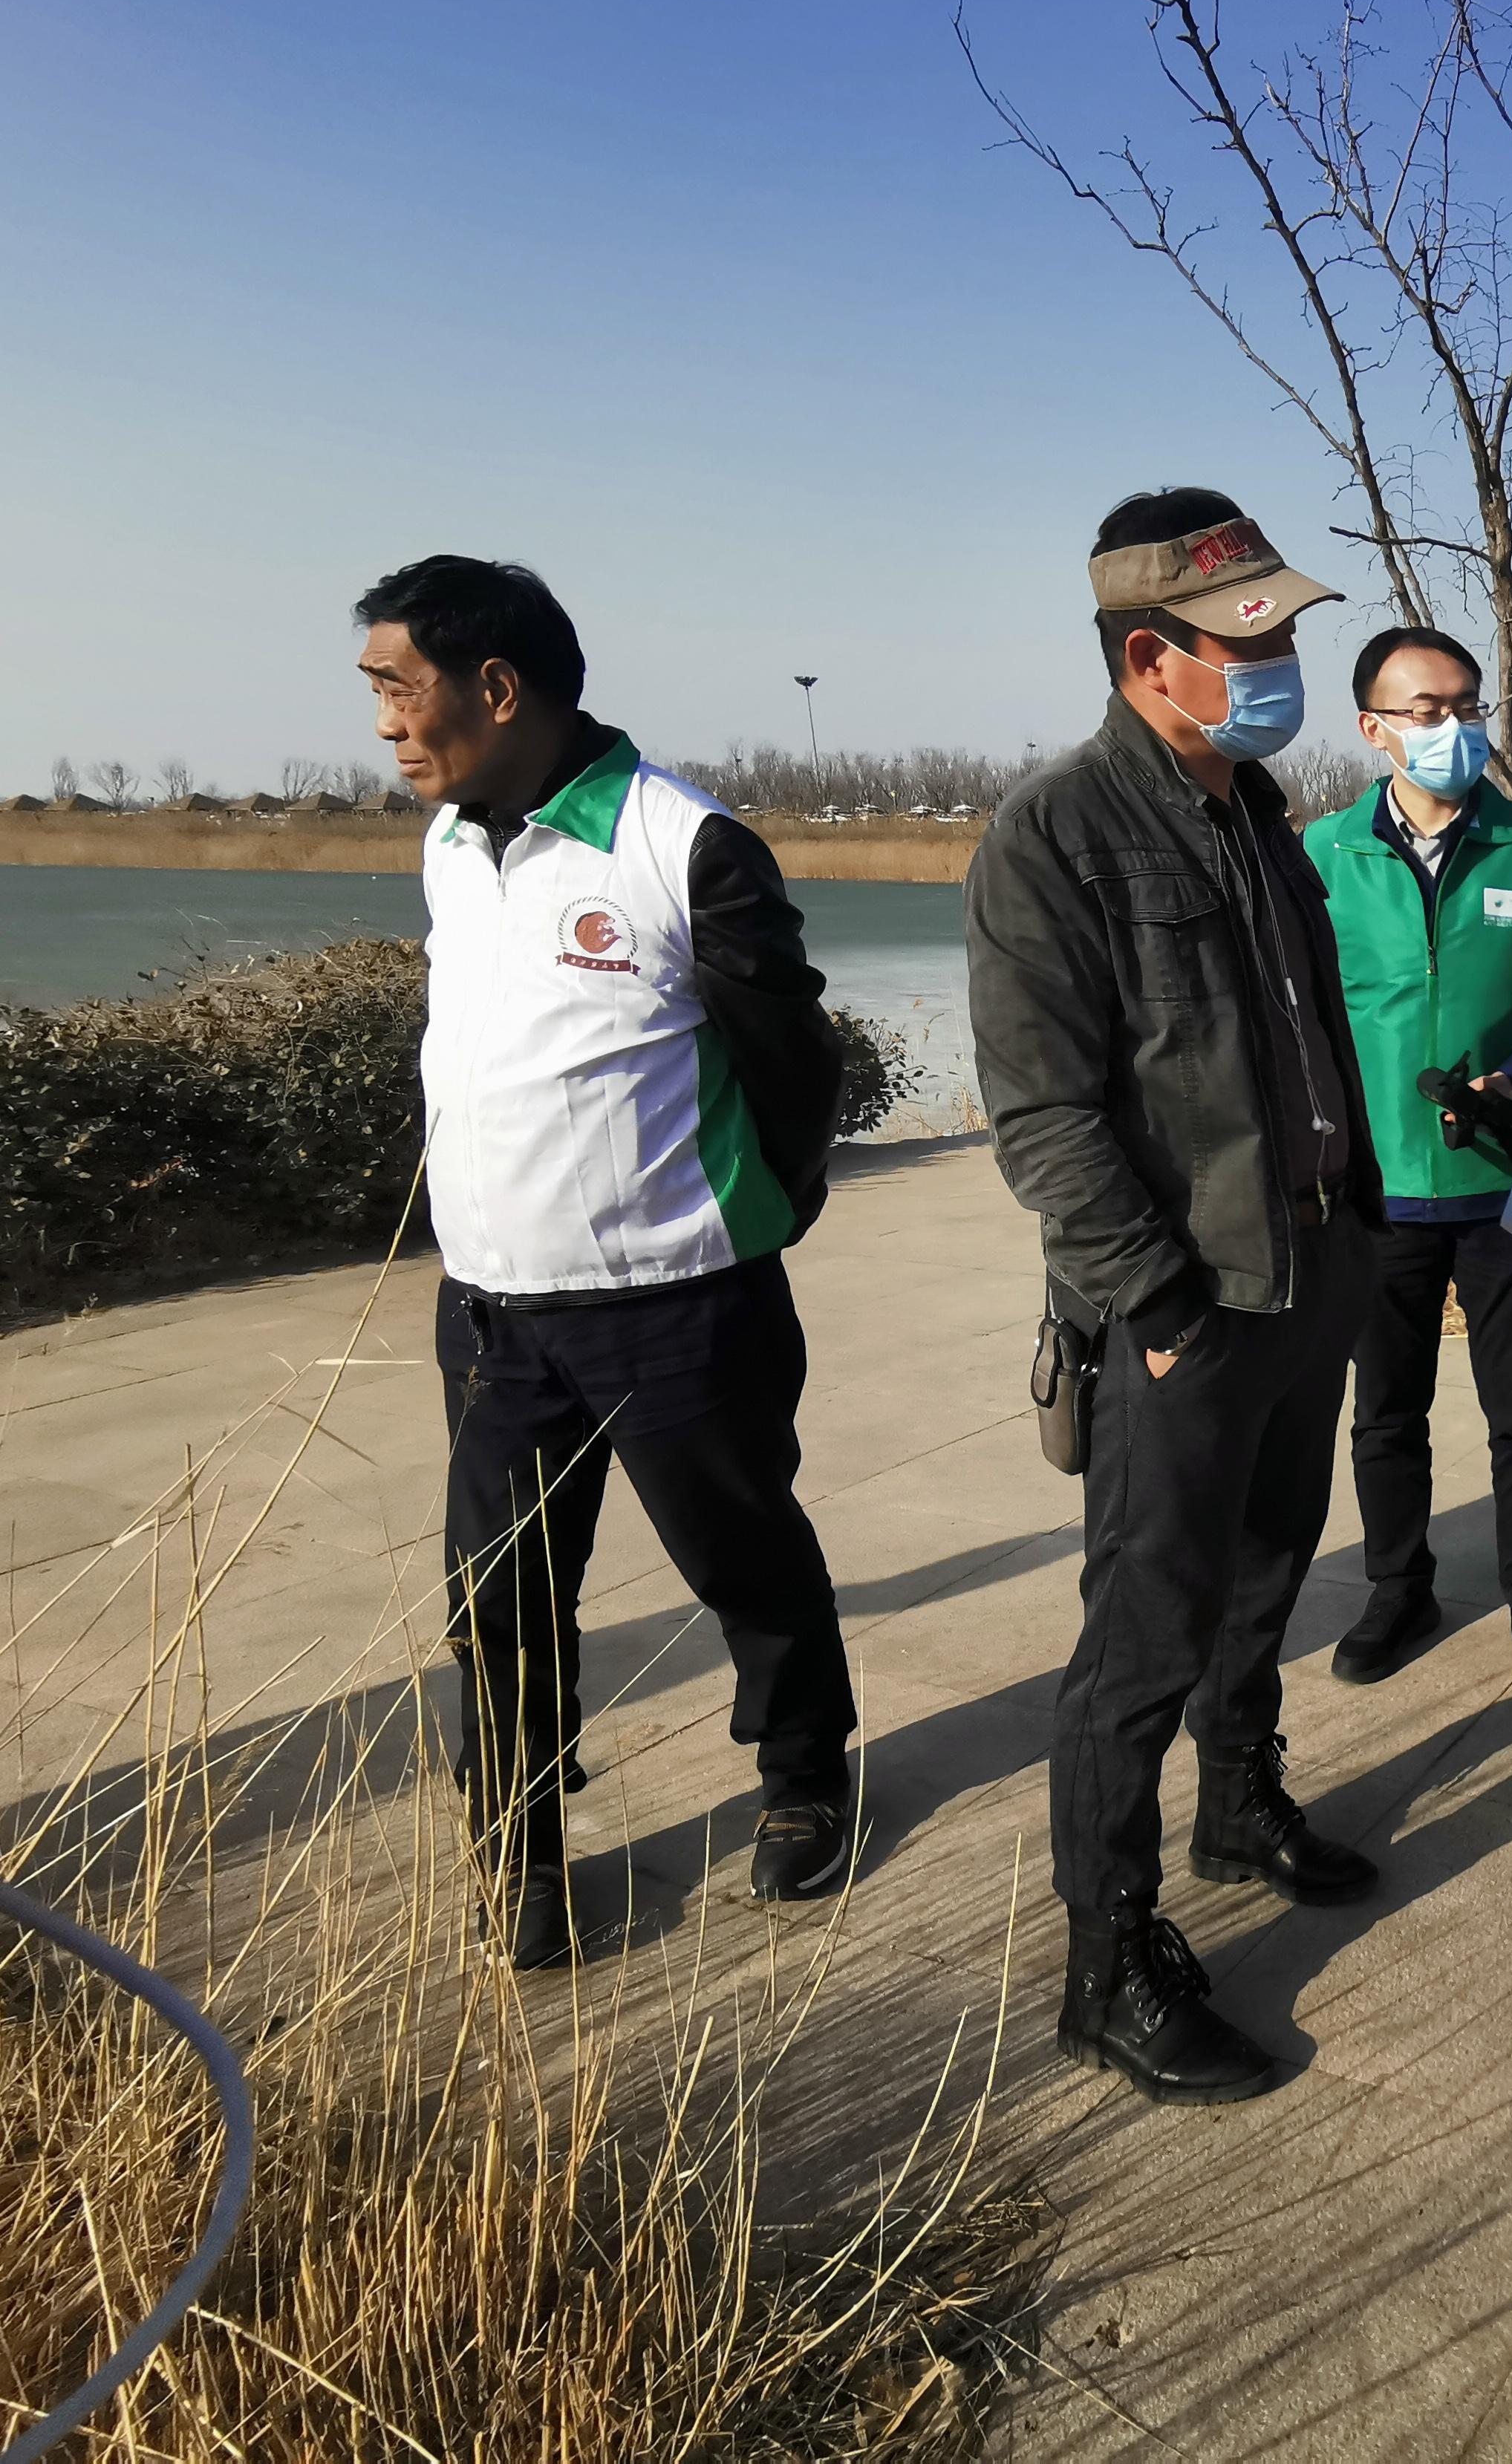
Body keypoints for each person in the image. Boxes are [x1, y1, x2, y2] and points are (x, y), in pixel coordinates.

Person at [359, 555, 856, 1971]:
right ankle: (519, 1849)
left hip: (679, 1306)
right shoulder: (451, 843)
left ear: (496, 687)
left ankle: (808, 1771)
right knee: (497, 1595)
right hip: (496, 1321)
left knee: (743, 1552)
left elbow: (792, 1061)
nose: (388, 722)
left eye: (401, 687)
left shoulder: (679, 843)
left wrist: (764, 1210)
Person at [965, 487, 1386, 2112]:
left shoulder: (1261, 812)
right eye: (1254, 638)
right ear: (1154, 656)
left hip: (1306, 1277)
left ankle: (1241, 1801)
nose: (1281, 657)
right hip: (1184, 1310)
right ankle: (1110, 1959)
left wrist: (1348, 1234)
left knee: (1268, 1573)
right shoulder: (1057, 835)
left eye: (1285, 628)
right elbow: (1046, 1118)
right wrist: (1154, 1303)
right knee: (1140, 1638)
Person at [1304, 626, 1512, 1698]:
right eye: (1428, 710)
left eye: (1468, 705)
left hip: (1505, 1179)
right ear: (1375, 729)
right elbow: (1296, 1017)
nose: (1454, 728)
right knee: (1385, 1412)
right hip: (1376, 1189)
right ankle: (1399, 1592)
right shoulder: (1324, 856)